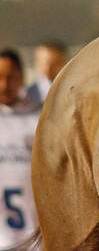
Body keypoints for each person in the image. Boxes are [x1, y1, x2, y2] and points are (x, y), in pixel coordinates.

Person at [0, 48, 41, 248]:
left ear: (22, 77)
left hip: (34, 239)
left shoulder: (39, 117)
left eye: (10, 77)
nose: (4, 85)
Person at [24, 40, 67, 106]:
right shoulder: (25, 95)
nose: (48, 69)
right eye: (44, 63)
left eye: (54, 64)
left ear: (64, 63)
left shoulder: (73, 93)